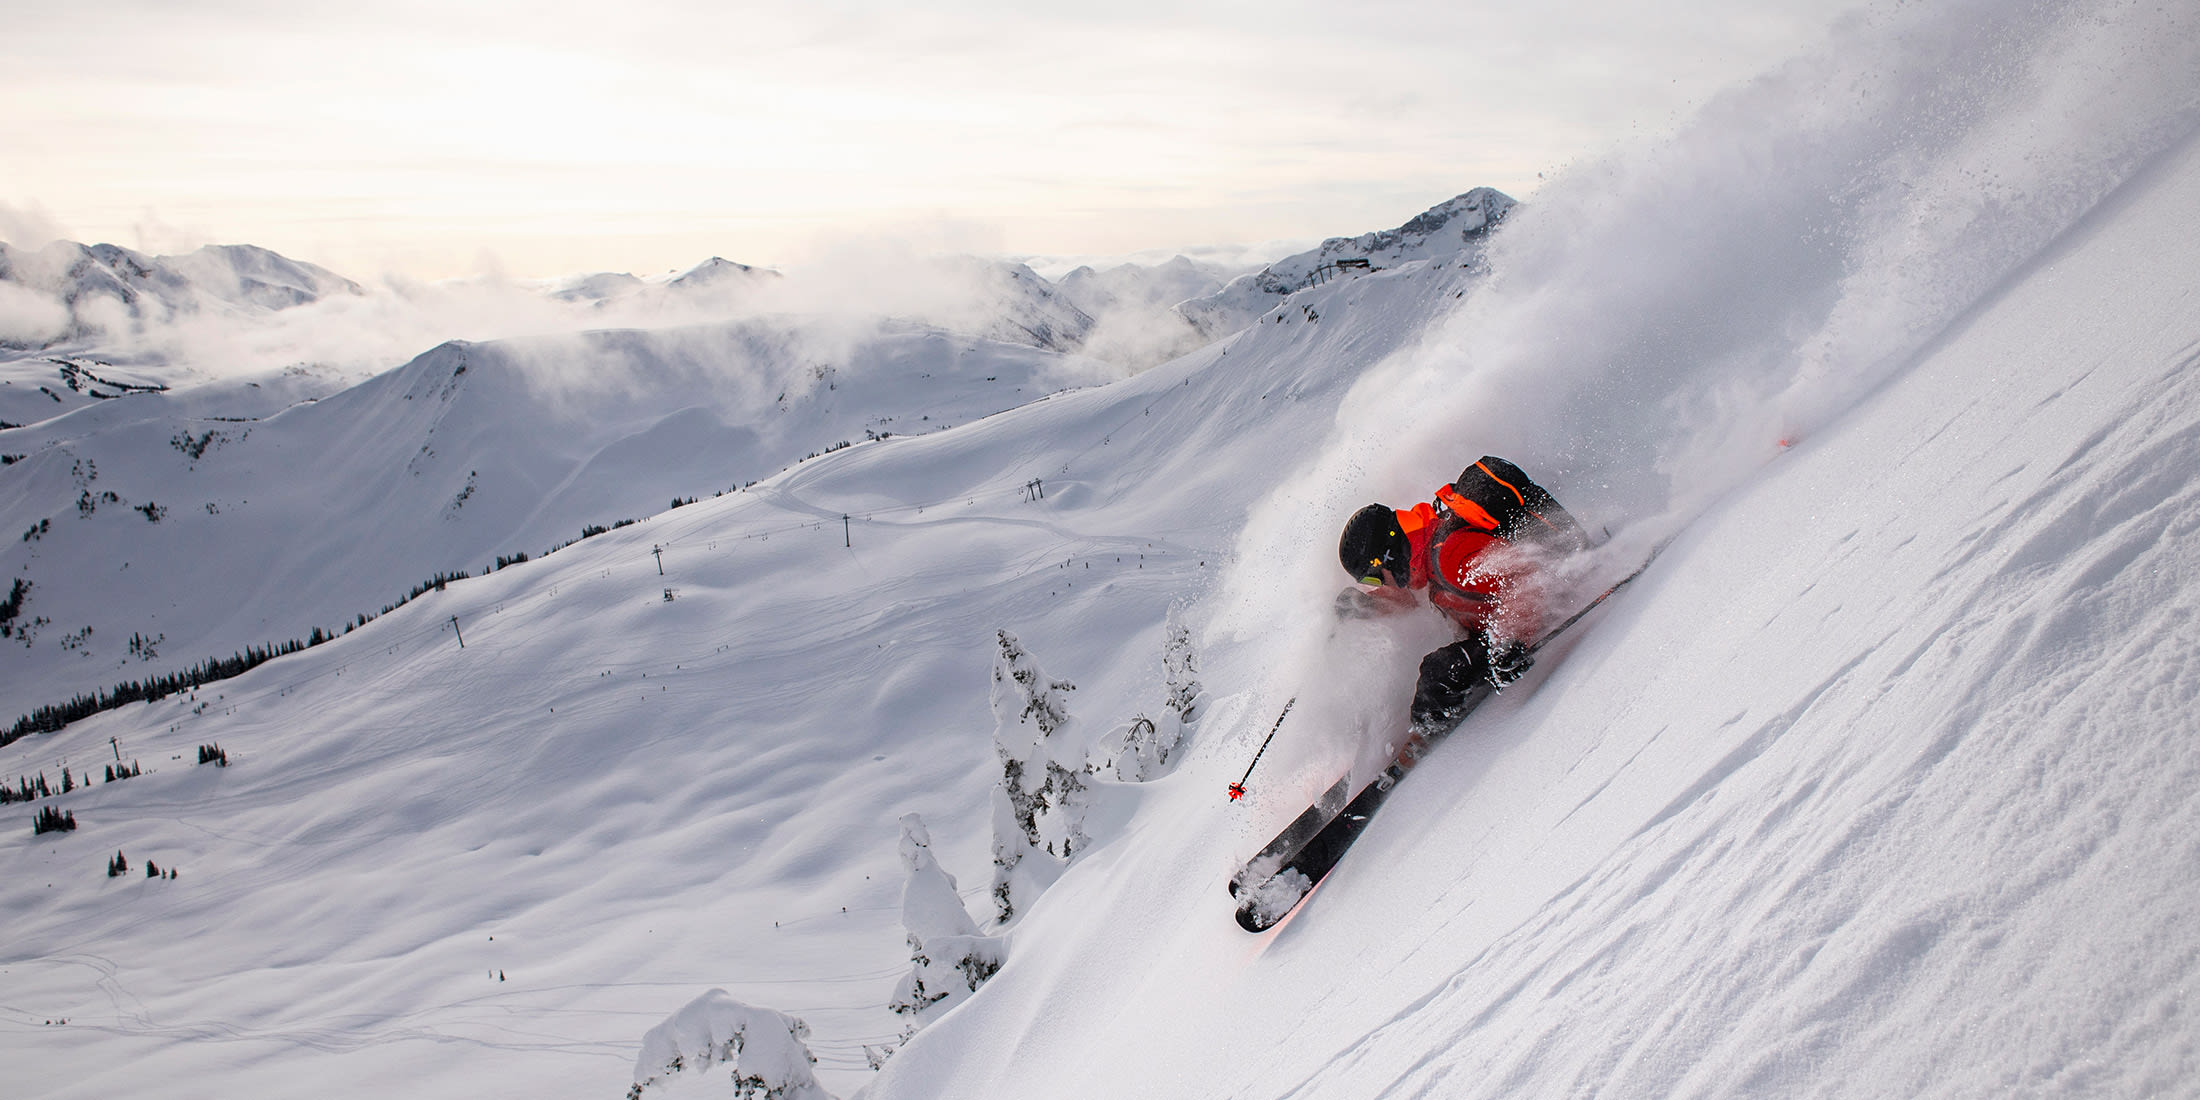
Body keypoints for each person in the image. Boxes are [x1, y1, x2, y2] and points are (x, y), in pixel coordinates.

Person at [1336, 456, 1589, 760]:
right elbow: (1405, 598)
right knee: (1436, 671)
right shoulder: (1427, 549)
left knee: (1438, 672)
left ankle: (1424, 743)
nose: (1377, 584)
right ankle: (1424, 727)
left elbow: (1525, 578)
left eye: (1372, 576)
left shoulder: (1451, 555)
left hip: (1526, 626)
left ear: (1388, 557)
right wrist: (1362, 606)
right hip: (1500, 633)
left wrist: (1510, 640)